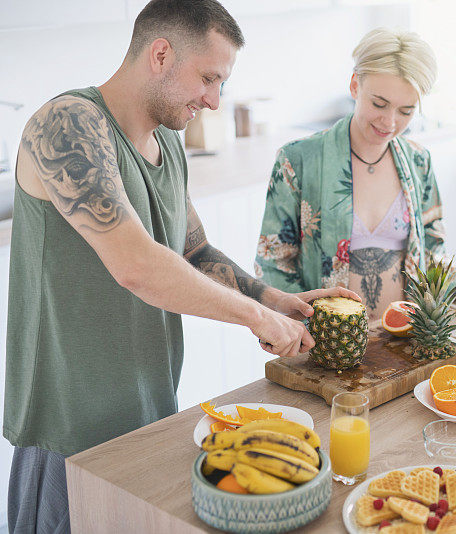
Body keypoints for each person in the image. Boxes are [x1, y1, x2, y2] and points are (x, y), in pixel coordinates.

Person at [4, 1, 357, 531]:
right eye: (209, 79)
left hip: (150, 412)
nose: (213, 101)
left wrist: (272, 299)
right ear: (161, 54)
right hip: (69, 431)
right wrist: (256, 320)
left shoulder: (168, 140)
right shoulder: (68, 124)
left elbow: (193, 250)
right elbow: (137, 265)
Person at [255, 28, 456, 321]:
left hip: (403, 343)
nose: (390, 122)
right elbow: (273, 264)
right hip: (324, 344)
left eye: (406, 111)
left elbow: (433, 255)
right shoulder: (297, 160)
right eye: (379, 104)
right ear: (355, 85)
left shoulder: (419, 161)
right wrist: (311, 327)